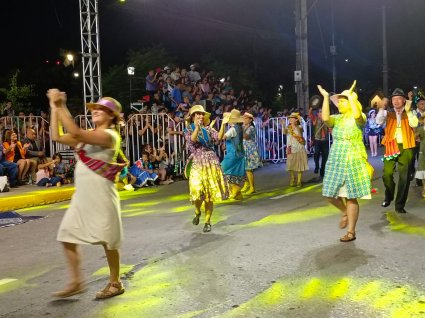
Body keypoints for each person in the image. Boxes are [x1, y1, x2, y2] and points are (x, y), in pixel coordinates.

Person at [47, 89, 126, 299]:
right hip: (82, 198)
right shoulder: (88, 138)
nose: (97, 111)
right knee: (66, 235)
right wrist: (54, 107)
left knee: (107, 240)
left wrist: (62, 104)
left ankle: (115, 283)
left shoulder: (110, 136)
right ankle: (76, 281)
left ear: (112, 116)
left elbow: (77, 132)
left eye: (103, 109)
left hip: (101, 196)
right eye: (96, 108)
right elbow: (56, 136)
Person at [317, 81, 371, 242]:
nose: (339, 104)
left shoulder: (360, 118)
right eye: (338, 101)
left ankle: (351, 232)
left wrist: (351, 97)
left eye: (342, 101)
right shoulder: (337, 119)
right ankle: (344, 211)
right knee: (329, 193)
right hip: (336, 157)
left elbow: (357, 115)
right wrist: (326, 97)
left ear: (351, 102)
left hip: (353, 158)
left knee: (351, 197)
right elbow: (325, 118)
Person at [184, 105, 228, 232]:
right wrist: (197, 128)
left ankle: (207, 221)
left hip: (211, 162)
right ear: (193, 116)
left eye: (202, 114)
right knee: (197, 192)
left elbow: (219, 138)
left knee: (209, 194)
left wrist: (224, 124)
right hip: (198, 163)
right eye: (198, 114)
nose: (201, 116)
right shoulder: (188, 130)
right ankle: (197, 212)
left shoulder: (208, 129)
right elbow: (192, 141)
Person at [376, 88, 418, 213]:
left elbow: (414, 124)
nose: (396, 101)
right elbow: (378, 122)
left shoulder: (410, 112)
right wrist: (382, 108)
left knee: (404, 177)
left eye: (399, 99)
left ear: (404, 100)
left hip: (406, 146)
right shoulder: (388, 113)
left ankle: (399, 205)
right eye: (394, 99)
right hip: (390, 145)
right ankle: (389, 195)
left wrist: (409, 111)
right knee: (387, 174)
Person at [219, 109, 246, 200]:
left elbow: (223, 137)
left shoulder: (232, 129)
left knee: (221, 170)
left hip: (232, 154)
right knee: (232, 172)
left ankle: (235, 190)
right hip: (239, 154)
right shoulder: (239, 128)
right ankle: (237, 194)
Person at [282, 112, 309, 187]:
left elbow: (300, 135)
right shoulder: (288, 127)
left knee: (299, 165)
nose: (290, 119)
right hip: (290, 147)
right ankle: (293, 178)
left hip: (299, 147)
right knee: (290, 164)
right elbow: (284, 133)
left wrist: (294, 127)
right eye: (290, 118)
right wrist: (284, 125)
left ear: (296, 120)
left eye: (292, 118)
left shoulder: (299, 127)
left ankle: (299, 181)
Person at [241, 112, 262, 194]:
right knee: (244, 168)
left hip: (249, 148)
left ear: (250, 120)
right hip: (244, 147)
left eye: (246, 118)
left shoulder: (251, 128)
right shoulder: (243, 126)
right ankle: (247, 184)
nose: (244, 119)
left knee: (249, 169)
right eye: (244, 118)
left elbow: (245, 136)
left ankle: (252, 187)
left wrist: (239, 130)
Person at [309, 107, 329, 179]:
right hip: (317, 140)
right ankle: (317, 167)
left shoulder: (327, 120)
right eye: (320, 112)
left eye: (322, 112)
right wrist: (311, 108)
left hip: (325, 140)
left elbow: (330, 129)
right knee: (316, 154)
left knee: (325, 157)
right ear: (317, 113)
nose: (321, 113)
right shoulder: (315, 119)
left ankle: (322, 173)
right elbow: (310, 115)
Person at [415, 114, 425, 197]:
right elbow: (415, 137)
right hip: (423, 152)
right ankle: (424, 189)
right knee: (423, 171)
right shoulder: (420, 129)